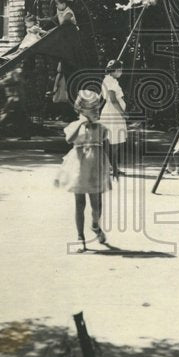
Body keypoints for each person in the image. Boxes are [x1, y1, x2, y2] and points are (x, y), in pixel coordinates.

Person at [57, 90, 113, 251]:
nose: (97, 111)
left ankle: (95, 225)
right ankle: (80, 237)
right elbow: (69, 139)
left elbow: (105, 145)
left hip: (95, 166)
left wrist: (113, 167)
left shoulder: (101, 127)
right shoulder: (75, 126)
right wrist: (81, 124)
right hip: (78, 167)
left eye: (98, 108)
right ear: (81, 110)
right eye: (92, 108)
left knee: (96, 204)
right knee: (79, 203)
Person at [100, 59, 128, 176]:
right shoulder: (111, 81)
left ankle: (112, 167)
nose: (121, 72)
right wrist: (122, 113)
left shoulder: (109, 80)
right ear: (116, 70)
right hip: (113, 113)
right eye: (120, 70)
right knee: (114, 141)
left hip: (111, 111)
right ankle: (113, 168)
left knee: (112, 141)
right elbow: (112, 98)